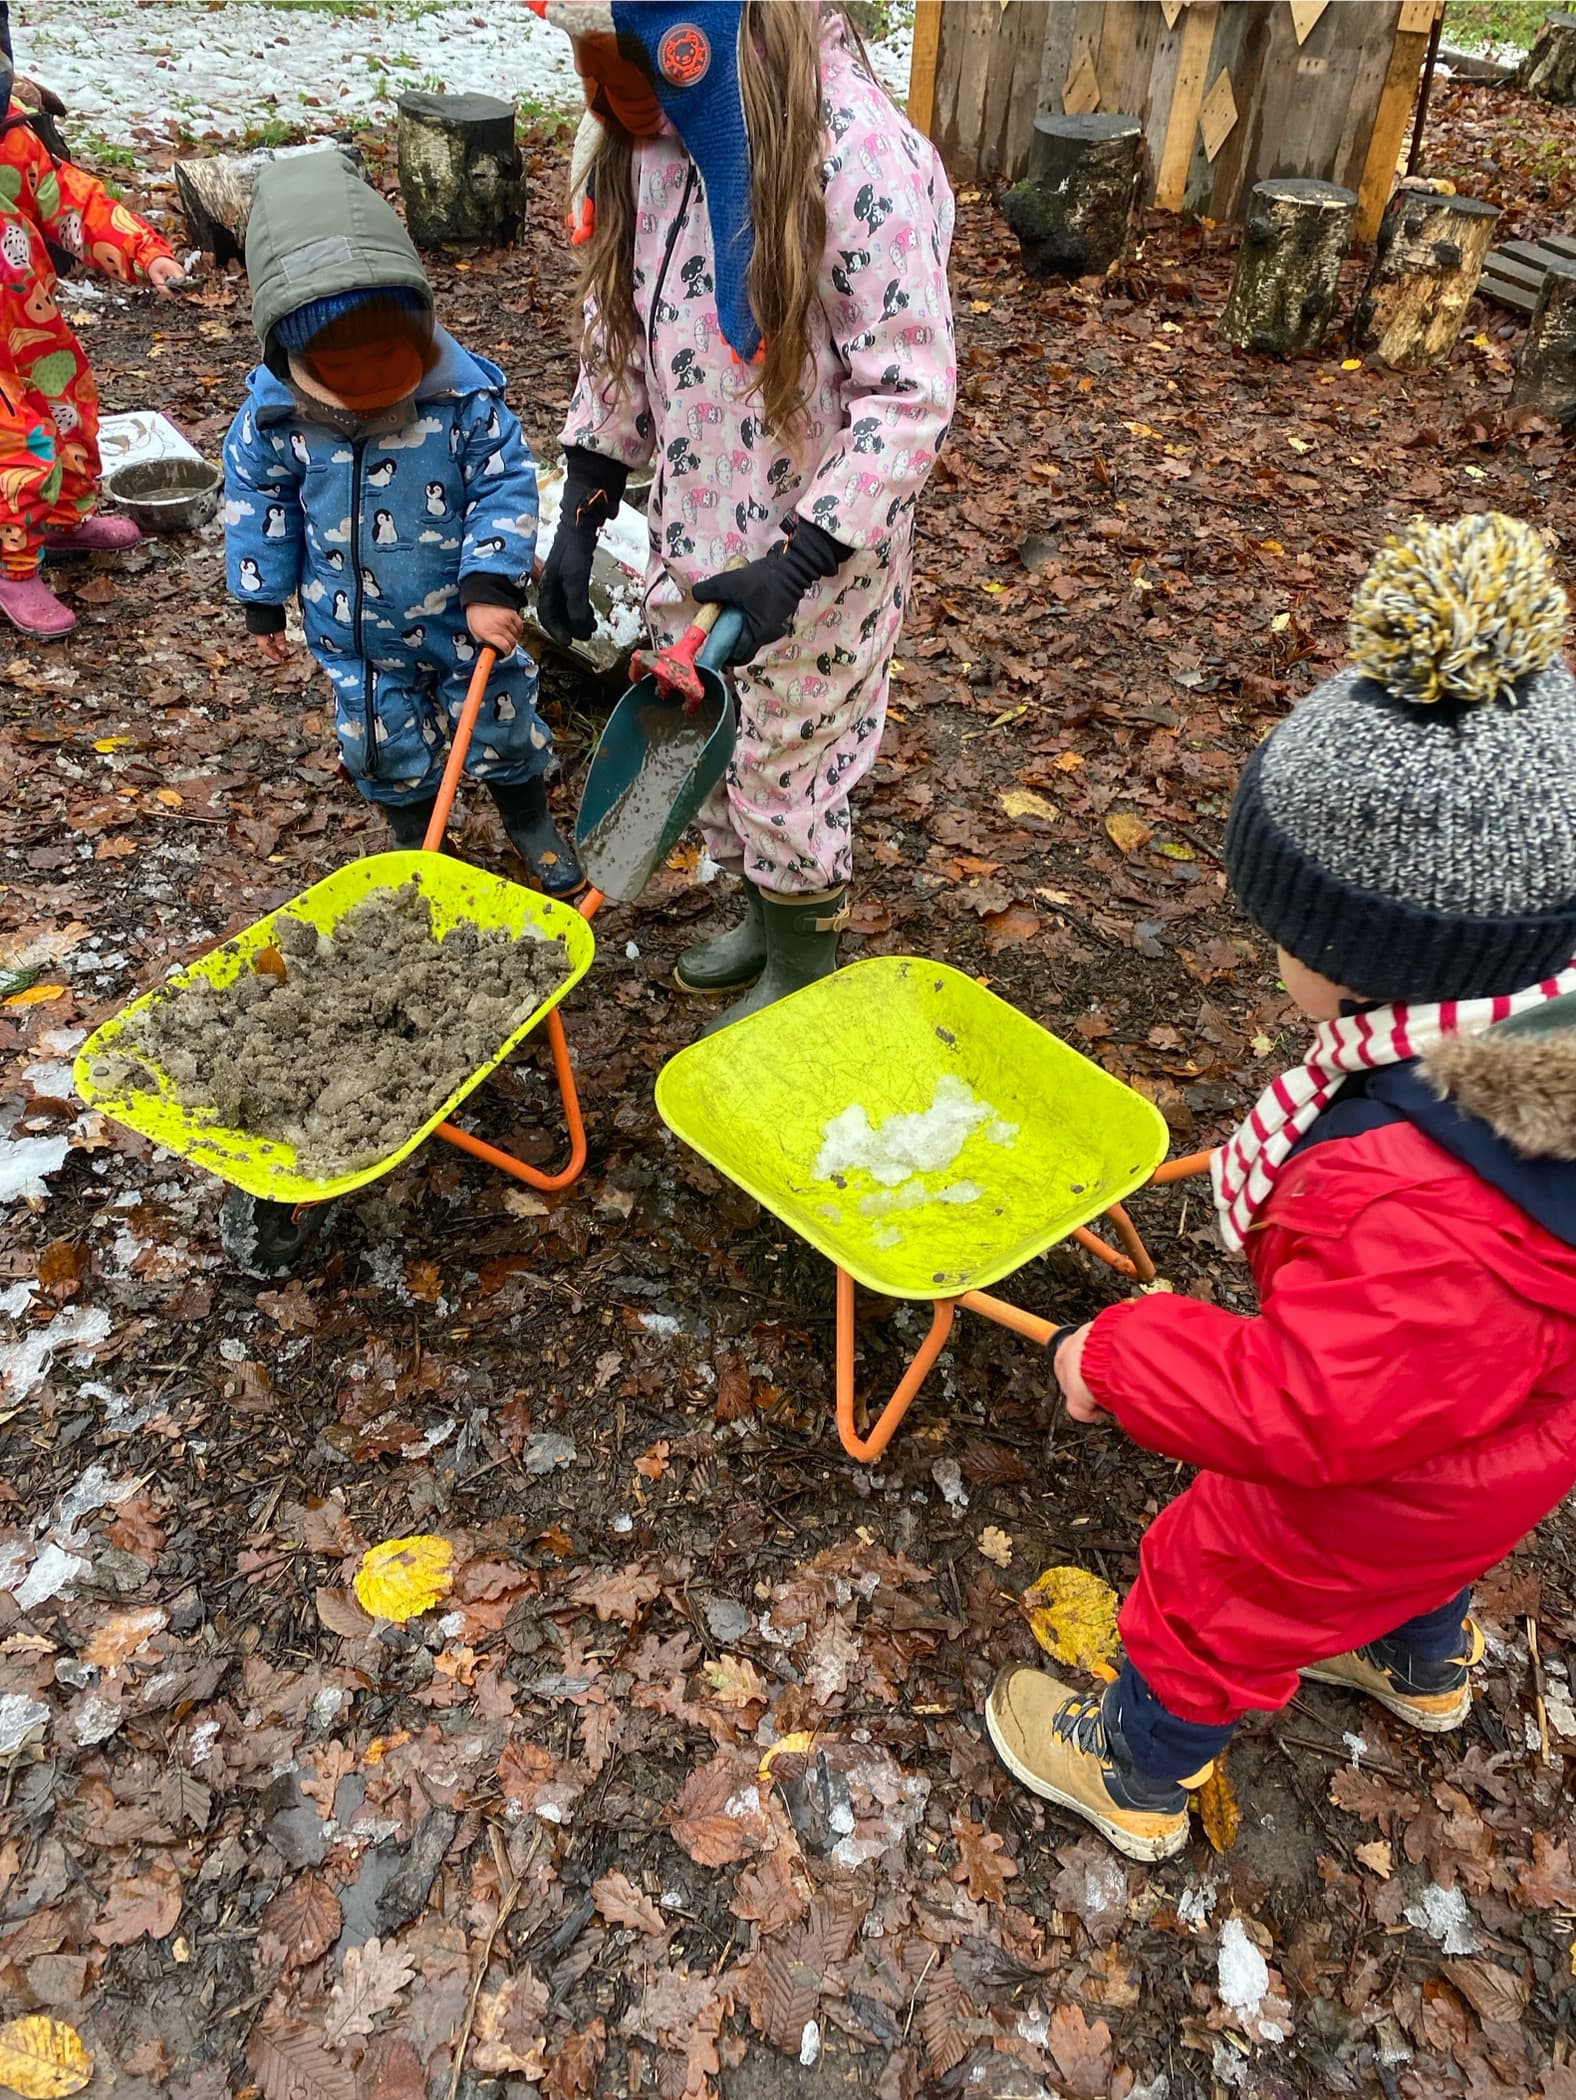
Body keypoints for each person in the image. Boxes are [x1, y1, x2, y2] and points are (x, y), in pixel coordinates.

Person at [987, 512, 1576, 1863]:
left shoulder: (1426, 1206)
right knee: (1430, 1546)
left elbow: (1316, 1407)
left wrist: (1124, 1348)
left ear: (1381, 952)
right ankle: (1421, 1668)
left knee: (1217, 1587)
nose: (1271, 956)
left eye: (1288, 934)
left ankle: (1132, 1775)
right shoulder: (1516, 1042)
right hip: (1484, 1449)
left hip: (1381, 1464)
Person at [532, 0, 955, 1026]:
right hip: (696, 537)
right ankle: (767, 917)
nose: (608, 104)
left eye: (628, 72)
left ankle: (801, 954)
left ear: (705, 38)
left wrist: (801, 558)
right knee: (717, 748)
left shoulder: (854, 156)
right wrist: (587, 496)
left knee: (785, 768)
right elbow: (621, 338)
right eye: (594, 75)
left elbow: (907, 392)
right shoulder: (654, 147)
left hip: (815, 568)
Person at [223, 150, 581, 895]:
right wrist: (262, 598)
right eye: (344, 371)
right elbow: (257, 501)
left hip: (463, 621)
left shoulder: (463, 402)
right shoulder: (276, 418)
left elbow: (507, 485)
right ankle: (417, 839)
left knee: (502, 721)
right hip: (354, 635)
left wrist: (491, 582)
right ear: (292, 352)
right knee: (381, 742)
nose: (374, 387)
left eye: (392, 358)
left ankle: (528, 816)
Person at [0, 50, 184, 639]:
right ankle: (13, 565)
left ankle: (62, 517)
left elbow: (69, 200)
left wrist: (142, 250)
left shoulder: (11, 139)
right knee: (17, 449)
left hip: (26, 320)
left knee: (70, 411)